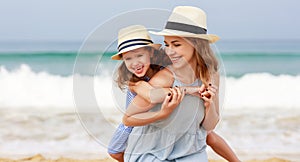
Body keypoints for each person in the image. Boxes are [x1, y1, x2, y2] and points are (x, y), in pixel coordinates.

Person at [123, 6, 240, 161]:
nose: (169, 51)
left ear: (196, 45)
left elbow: (209, 127)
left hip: (189, 151)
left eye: (176, 45)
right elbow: (128, 118)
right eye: (167, 44)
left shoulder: (211, 75)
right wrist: (161, 113)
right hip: (153, 152)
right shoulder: (164, 79)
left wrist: (209, 105)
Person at [107, 25, 182, 162]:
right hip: (131, 123)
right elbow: (151, 95)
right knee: (114, 151)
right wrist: (184, 91)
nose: (135, 63)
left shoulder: (161, 72)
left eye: (139, 55)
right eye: (128, 58)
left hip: (152, 121)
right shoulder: (134, 82)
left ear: (151, 53)